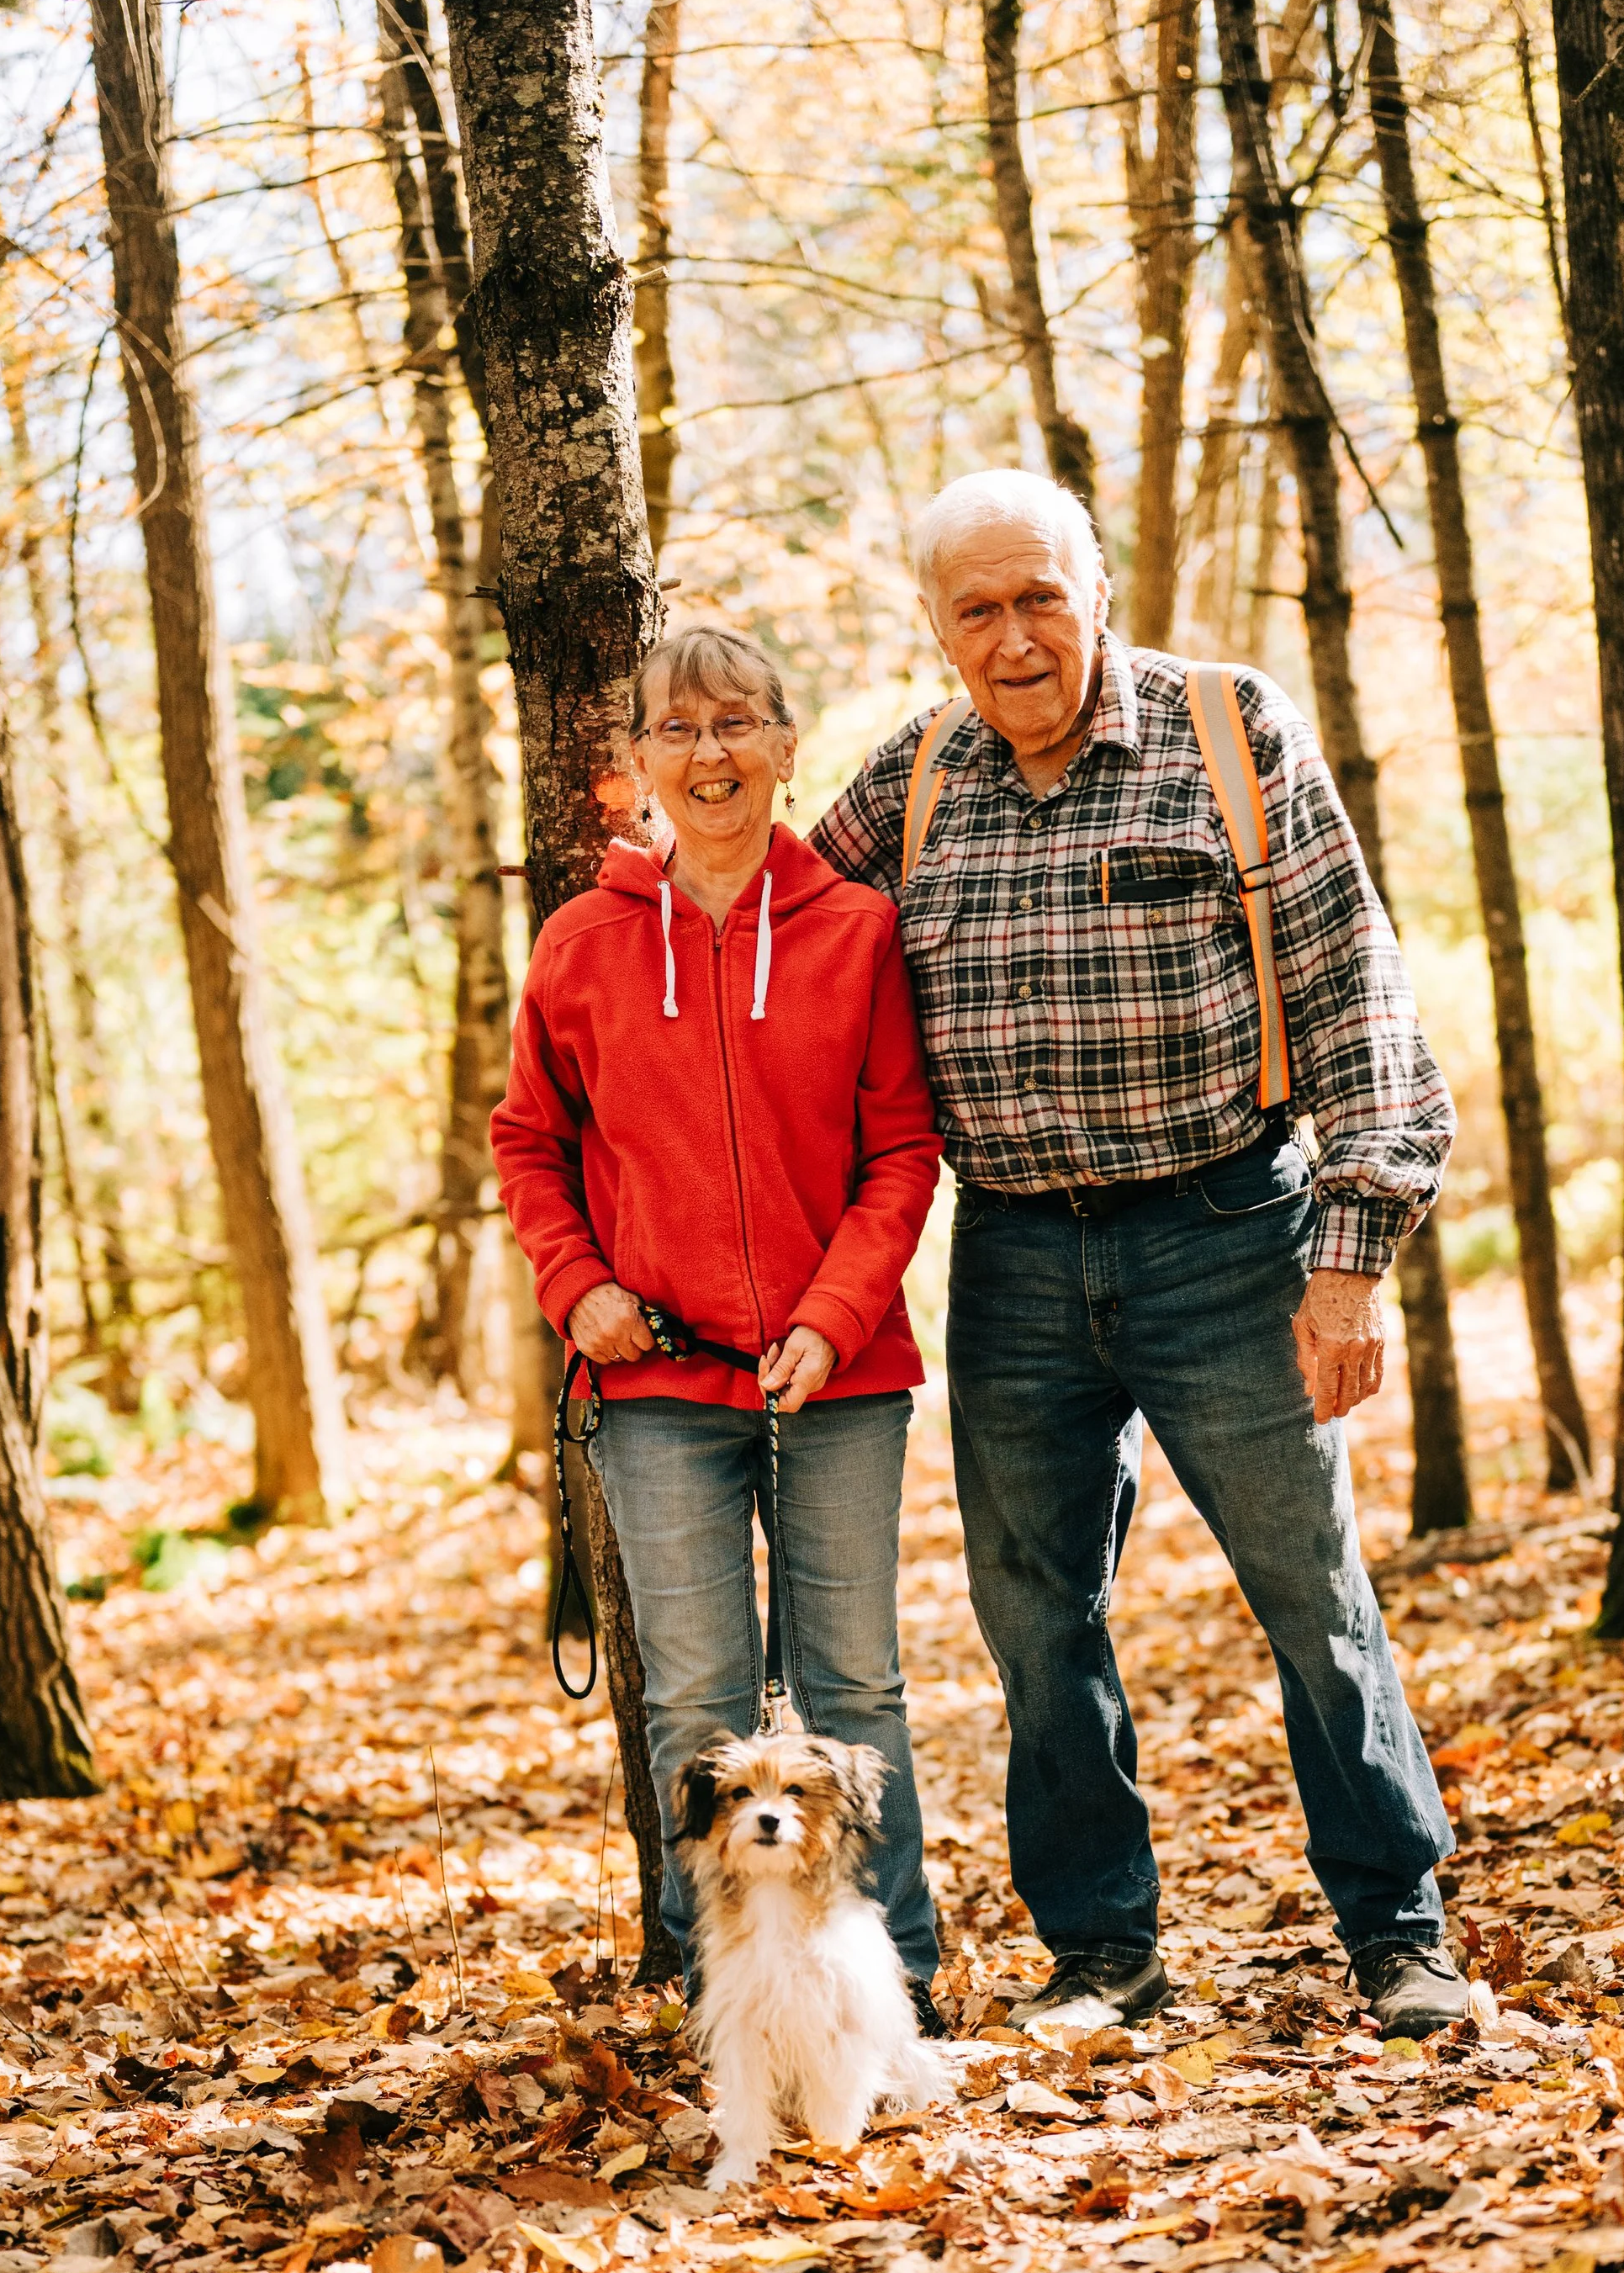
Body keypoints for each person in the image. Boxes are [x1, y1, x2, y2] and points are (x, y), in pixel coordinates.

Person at [813, 469, 1465, 2038]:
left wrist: (1352, 1253)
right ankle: (1103, 1955)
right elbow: (772, 937)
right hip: (1015, 1257)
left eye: (1043, 594)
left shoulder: (1231, 732)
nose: (1017, 635)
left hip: (1228, 1230)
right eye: (980, 608)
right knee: (1035, 1619)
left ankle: (1401, 1933)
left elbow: (1354, 995)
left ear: (1096, 588)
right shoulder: (908, 782)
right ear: (938, 627)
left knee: (1310, 1592)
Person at [492, 625, 947, 2031]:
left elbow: (900, 1151)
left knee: (852, 1683)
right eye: (678, 733)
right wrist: (578, 1289)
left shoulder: (858, 930)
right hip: (655, 1389)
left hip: (841, 1377)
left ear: (785, 746)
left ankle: (893, 1981)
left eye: (737, 724)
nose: (710, 755)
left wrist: (831, 1315)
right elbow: (528, 1145)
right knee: (694, 1697)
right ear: (632, 766)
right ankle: (729, 1989)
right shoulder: (582, 943)